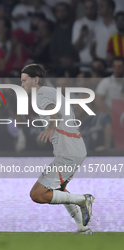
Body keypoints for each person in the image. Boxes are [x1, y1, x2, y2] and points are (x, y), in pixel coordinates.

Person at [20, 64, 95, 234]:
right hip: (76, 148)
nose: (22, 84)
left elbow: (55, 114)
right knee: (59, 190)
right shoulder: (52, 92)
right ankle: (83, 228)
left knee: (37, 194)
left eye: (24, 80)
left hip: (67, 151)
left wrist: (50, 127)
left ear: (36, 80)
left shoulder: (40, 94)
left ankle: (83, 200)